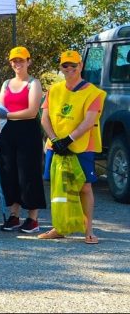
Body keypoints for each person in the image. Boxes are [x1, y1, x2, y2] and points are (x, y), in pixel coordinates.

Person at [38, 50, 104, 245]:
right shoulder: (54, 90)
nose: (69, 69)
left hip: (81, 146)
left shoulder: (93, 92)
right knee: (58, 186)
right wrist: (55, 140)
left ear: (81, 66)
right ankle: (59, 227)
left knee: (84, 186)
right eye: (65, 65)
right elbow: (45, 118)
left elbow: (89, 121)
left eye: (73, 65)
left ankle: (88, 230)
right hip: (56, 145)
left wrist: (68, 140)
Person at [0, 46, 46, 234]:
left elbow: (32, 111)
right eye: (14, 61)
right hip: (6, 133)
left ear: (28, 61)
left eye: (21, 60)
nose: (18, 64)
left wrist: (7, 115)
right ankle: (14, 215)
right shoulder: (6, 83)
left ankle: (33, 218)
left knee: (28, 174)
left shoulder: (34, 83)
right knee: (10, 174)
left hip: (27, 132)